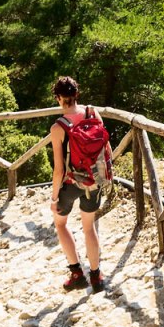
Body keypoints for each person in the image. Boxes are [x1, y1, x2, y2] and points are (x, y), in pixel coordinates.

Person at [50, 76, 108, 293]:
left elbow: (59, 170)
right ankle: (96, 276)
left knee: (61, 224)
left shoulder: (59, 127)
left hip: (72, 183)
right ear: (77, 95)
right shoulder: (93, 113)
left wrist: (55, 198)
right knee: (89, 227)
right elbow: (105, 147)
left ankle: (76, 273)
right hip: (95, 179)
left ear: (58, 98)